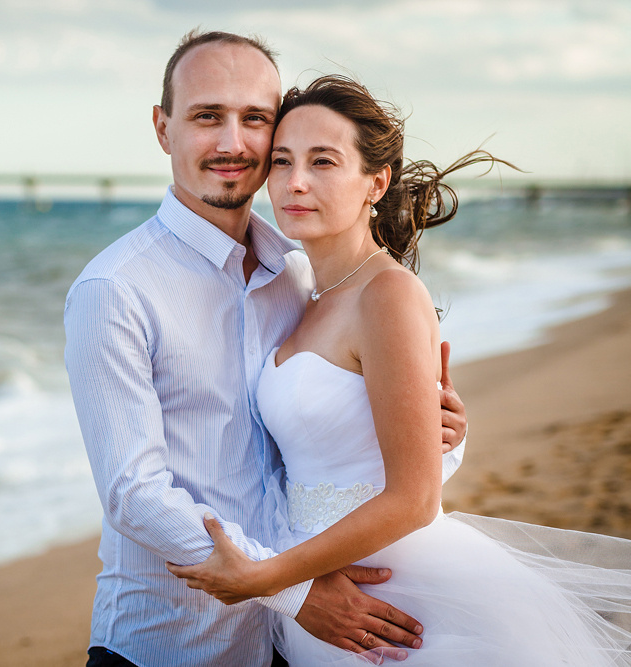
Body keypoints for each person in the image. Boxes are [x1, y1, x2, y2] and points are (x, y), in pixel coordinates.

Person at [167, 75, 631, 665]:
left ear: (376, 181)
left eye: (323, 161)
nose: (295, 182)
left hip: (404, 599)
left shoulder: (386, 293)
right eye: (281, 162)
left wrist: (271, 578)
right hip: (327, 591)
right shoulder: (302, 290)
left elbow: (414, 498)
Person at [64, 32, 468, 667]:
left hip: (290, 644)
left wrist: (437, 425)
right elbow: (133, 493)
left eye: (254, 119)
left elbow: (321, 440)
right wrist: (291, 588)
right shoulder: (116, 288)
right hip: (169, 642)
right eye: (206, 116)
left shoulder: (298, 276)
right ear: (162, 128)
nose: (233, 143)